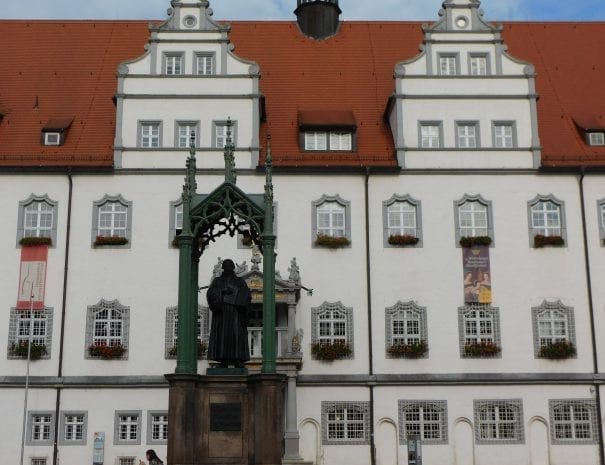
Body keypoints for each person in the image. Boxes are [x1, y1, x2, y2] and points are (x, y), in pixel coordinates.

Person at [206, 259, 251, 368]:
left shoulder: (239, 281)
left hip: (236, 312)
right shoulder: (217, 281)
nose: (228, 268)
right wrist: (222, 291)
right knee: (222, 335)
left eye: (230, 266)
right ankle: (223, 360)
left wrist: (235, 294)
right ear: (223, 268)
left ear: (233, 268)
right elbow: (210, 293)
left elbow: (246, 294)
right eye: (225, 266)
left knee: (236, 335)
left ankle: (237, 358)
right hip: (222, 313)